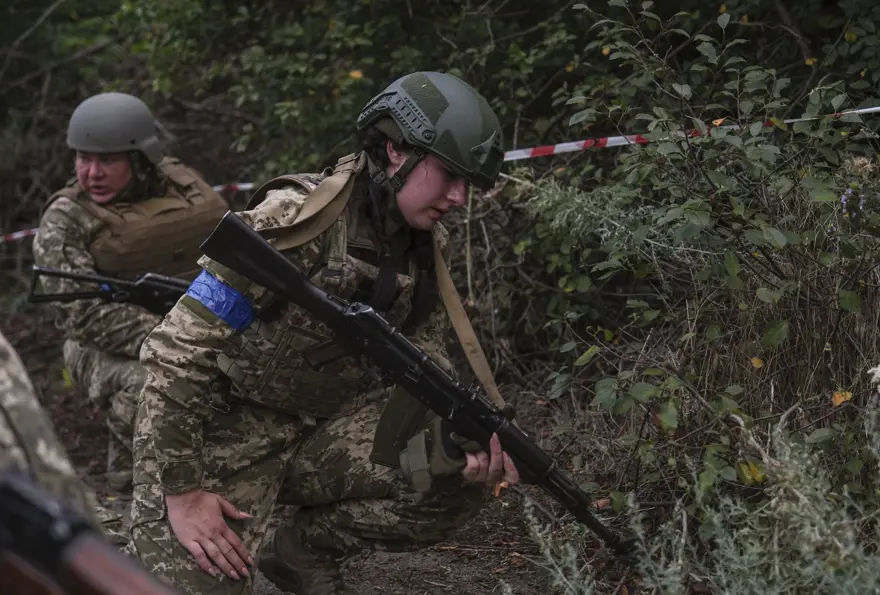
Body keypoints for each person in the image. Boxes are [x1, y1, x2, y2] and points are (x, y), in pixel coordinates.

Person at [128, 71, 519, 595]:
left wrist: (457, 443)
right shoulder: (295, 219)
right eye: (450, 174)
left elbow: (422, 364)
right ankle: (125, 528)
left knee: (446, 475)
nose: (460, 197)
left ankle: (297, 553)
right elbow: (175, 355)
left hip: (320, 429)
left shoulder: (417, 246)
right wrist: (182, 493)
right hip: (220, 433)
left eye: (468, 183)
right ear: (396, 151)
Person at [32, 92, 229, 492]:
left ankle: (139, 467)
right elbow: (82, 316)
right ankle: (144, 477)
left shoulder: (184, 187)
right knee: (156, 386)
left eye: (107, 160)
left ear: (140, 159)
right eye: (83, 159)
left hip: (198, 324)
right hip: (100, 344)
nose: (91, 174)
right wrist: (179, 340)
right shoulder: (67, 219)